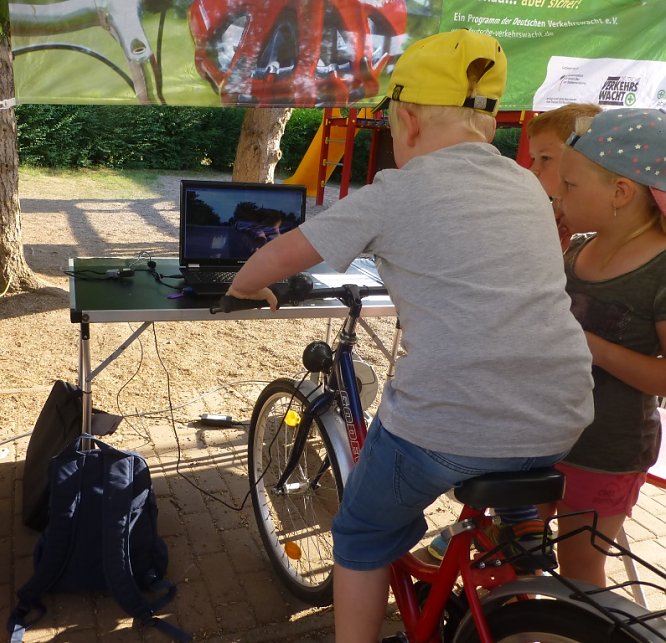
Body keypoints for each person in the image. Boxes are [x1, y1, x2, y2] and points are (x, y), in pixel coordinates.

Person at [225, 29, 594, 641]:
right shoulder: (527, 184)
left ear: (410, 122)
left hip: (451, 422)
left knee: (361, 533)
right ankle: (520, 528)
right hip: (562, 413)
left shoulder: (395, 192)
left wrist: (242, 287)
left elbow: (281, 255)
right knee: (505, 440)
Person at [426, 102, 605, 562]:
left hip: (579, 421)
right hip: (555, 405)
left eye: (545, 159)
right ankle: (507, 536)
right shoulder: (556, 225)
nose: (532, 169)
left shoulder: (590, 240)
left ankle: (508, 536)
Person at [538, 107, 666, 587]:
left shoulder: (659, 268)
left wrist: (587, 344)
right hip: (544, 434)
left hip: (607, 450)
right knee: (515, 548)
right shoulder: (577, 250)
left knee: (578, 569)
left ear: (621, 192)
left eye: (570, 185)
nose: (558, 192)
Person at [527, 103, 602, 251]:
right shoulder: (543, 212)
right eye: (533, 159)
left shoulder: (598, 222)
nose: (533, 170)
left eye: (545, 158)